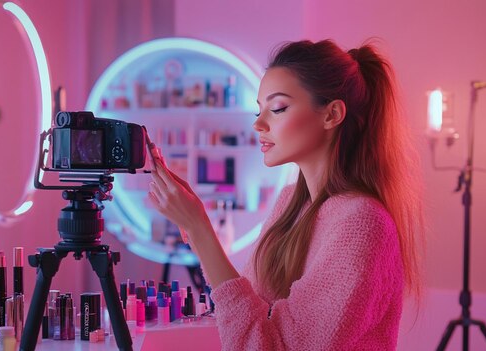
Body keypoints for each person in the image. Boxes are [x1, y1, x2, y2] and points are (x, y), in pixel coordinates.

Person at [147, 39, 424, 350]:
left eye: (277, 108)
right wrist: (193, 225)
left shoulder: (362, 223)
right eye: (259, 109)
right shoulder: (290, 205)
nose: (258, 124)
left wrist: (200, 229)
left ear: (331, 114)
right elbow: (249, 319)